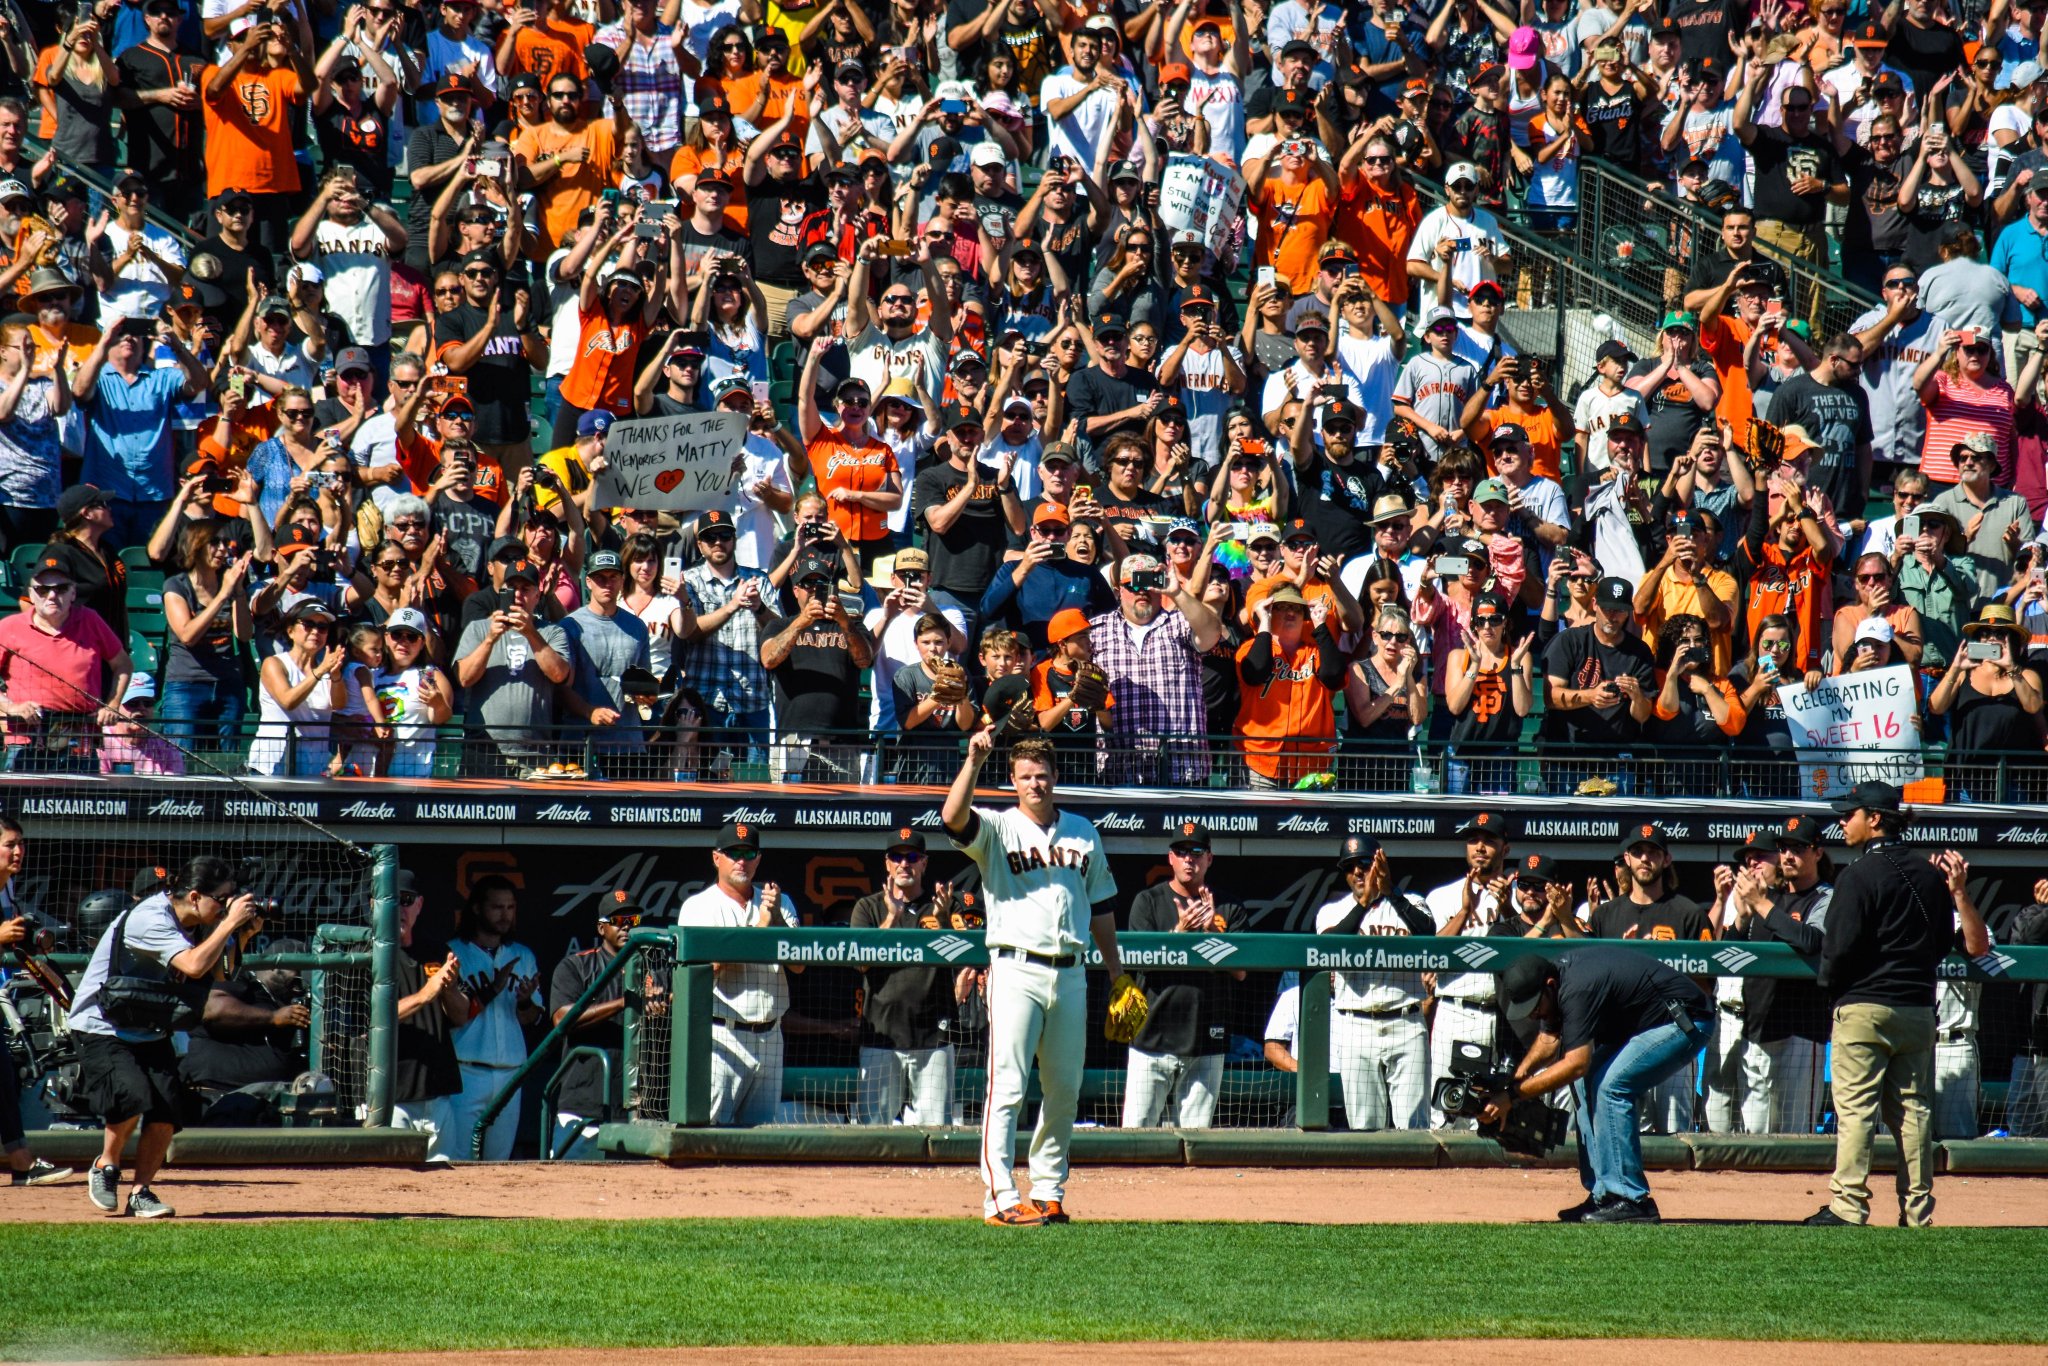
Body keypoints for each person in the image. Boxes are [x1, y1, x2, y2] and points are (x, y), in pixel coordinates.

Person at [944, 728, 1121, 1225]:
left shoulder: (1084, 830)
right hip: (1015, 966)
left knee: (1064, 1088)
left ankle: (1048, 1190)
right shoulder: (999, 828)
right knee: (1008, 1086)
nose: (1035, 784)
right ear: (1013, 781)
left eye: (1042, 775)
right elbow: (953, 819)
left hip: (1071, 972)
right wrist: (973, 762)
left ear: (1055, 777)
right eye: (1026, 776)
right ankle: (999, 1197)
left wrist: (1118, 974)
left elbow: (1102, 906)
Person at [1806, 781, 1989, 1226]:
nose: (1841, 822)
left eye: (1848, 814)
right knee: (1914, 1112)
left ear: (1873, 819)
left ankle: (1848, 1207)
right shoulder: (1928, 874)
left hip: (1866, 1007)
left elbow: (1839, 949)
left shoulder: (1857, 874)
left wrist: (1833, 990)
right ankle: (1918, 1211)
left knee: (1855, 1111)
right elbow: (1952, 943)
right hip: (1918, 1009)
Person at [67, 854, 260, 1217]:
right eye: (221, 899)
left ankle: (141, 1192)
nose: (226, 906)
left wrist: (239, 934)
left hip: (148, 1022)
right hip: (102, 1022)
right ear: (194, 896)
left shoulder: (201, 921)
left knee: (166, 1111)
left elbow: (221, 974)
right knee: (131, 1094)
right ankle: (105, 1165)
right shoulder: (150, 917)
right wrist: (227, 924)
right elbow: (193, 965)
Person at [1491, 945, 1714, 1224]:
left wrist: (1513, 1096)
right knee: (1586, 1085)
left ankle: (1632, 1199)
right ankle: (1603, 1195)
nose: (1533, 1014)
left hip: (1685, 1021)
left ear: (1549, 986)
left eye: (1535, 1006)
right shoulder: (1558, 982)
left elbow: (1576, 1063)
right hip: (1648, 1025)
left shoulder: (1576, 988)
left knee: (1611, 1087)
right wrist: (1517, 1078)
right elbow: (1549, 1041)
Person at [672, 820, 803, 1126]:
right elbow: (706, 969)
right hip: (723, 1034)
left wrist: (776, 923)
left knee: (761, 1136)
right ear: (717, 857)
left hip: (771, 1034)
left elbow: (799, 964)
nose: (741, 860)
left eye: (748, 853)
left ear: (758, 858)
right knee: (711, 1130)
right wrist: (760, 929)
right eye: (733, 853)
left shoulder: (779, 901)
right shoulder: (699, 906)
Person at [1122, 820, 1246, 1129]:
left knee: (1196, 1142)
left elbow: (1241, 972)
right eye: (1181, 851)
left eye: (1196, 851)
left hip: (1205, 1039)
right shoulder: (1147, 902)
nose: (1189, 858)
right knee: (1136, 1134)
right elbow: (1141, 964)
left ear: (1209, 858)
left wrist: (1207, 933)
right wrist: (1179, 934)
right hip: (1151, 1038)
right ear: (1171, 858)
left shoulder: (1229, 908)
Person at [1314, 835, 1434, 1131]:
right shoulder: (1332, 910)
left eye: (1365, 863)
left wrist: (1390, 892)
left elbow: (1428, 933)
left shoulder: (1412, 902)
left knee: (1415, 1126)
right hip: (1356, 1024)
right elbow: (1327, 949)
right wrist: (1364, 904)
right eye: (1350, 866)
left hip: (1406, 1021)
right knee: (1363, 1127)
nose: (1357, 871)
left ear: (1381, 864)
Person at [848, 829, 966, 1125]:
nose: (904, 863)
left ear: (924, 863)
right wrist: (892, 917)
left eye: (912, 856)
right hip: (881, 1034)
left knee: (935, 1130)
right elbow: (860, 963)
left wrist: (941, 921)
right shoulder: (868, 907)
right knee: (873, 1132)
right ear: (887, 863)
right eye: (897, 857)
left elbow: (966, 958)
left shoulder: (943, 906)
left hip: (933, 1035)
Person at [1424, 811, 1514, 1127]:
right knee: (1442, 1113)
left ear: (1505, 849)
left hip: (1498, 1017)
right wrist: (1465, 911)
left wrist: (1506, 909)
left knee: (1485, 1117)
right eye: (1473, 840)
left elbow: (1529, 948)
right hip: (1452, 1010)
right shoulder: (1442, 896)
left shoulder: (1520, 896)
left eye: (1489, 841)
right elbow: (1430, 955)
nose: (1479, 847)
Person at [445, 875, 542, 1162]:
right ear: (477, 909)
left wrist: (525, 1001)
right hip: (466, 1070)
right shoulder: (453, 952)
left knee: (498, 1163)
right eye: (497, 907)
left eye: (510, 908)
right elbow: (451, 1016)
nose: (504, 915)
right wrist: (492, 988)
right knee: (458, 1159)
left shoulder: (522, 955)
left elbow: (532, 1019)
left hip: (510, 1071)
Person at [547, 892, 648, 1159]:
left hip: (638, 1108)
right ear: (601, 928)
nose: (627, 925)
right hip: (585, 1105)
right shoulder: (577, 966)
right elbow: (562, 1019)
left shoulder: (653, 968)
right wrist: (622, 1003)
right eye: (618, 919)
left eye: (633, 918)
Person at [0, 816, 73, 1185]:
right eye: (9, 844)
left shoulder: (7, 887)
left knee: (4, 1075)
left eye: (20, 843)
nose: (18, 851)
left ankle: (22, 1163)